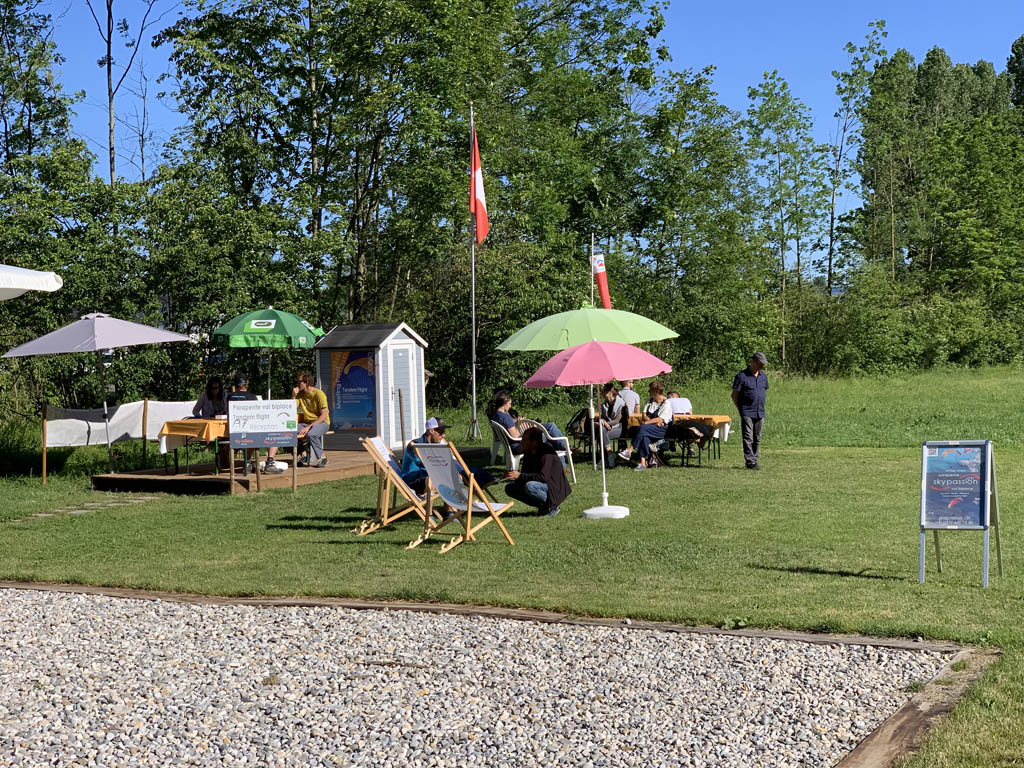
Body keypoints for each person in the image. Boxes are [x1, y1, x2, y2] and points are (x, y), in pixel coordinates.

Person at [401, 417, 495, 495]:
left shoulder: (436, 444)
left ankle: (450, 509)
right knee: (440, 478)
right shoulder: (416, 445)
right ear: (431, 431)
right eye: (441, 432)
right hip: (413, 479)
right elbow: (428, 464)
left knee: (456, 475)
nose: (444, 435)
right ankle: (429, 511)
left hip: (428, 476)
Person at [265, 372, 330, 472]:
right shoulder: (300, 394)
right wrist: (293, 396)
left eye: (299, 381)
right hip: (307, 422)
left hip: (322, 423)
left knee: (311, 434)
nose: (297, 383)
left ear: (306, 383)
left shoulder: (319, 394)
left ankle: (322, 457)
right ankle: (301, 454)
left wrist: (309, 427)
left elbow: (324, 416)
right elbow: (290, 410)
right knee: (283, 432)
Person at [504, 427, 571, 516]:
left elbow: (543, 477)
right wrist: (512, 475)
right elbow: (525, 473)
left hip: (554, 487)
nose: (521, 442)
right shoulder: (528, 451)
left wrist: (519, 476)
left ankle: (552, 506)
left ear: (534, 442)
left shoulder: (547, 453)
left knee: (530, 486)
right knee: (510, 488)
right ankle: (544, 507)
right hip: (541, 484)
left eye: (524, 440)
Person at [485, 391, 565, 456]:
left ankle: (563, 450)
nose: (510, 406)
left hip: (511, 444)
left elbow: (509, 428)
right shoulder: (505, 417)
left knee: (549, 428)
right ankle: (564, 449)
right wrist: (520, 424)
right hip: (518, 446)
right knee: (546, 434)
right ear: (504, 403)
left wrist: (517, 422)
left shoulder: (496, 415)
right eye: (509, 404)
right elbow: (515, 436)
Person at [618, 380, 672, 470]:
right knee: (644, 437)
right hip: (651, 427)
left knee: (642, 428)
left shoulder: (666, 403)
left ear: (656, 391)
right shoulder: (649, 400)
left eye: (650, 390)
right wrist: (652, 422)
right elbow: (643, 415)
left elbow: (661, 419)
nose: (648, 391)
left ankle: (629, 450)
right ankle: (643, 463)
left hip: (661, 430)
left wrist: (647, 422)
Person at [732, 352, 769, 470]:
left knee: (757, 437)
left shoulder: (763, 377)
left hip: (760, 411)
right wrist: (740, 409)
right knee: (748, 437)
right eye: (760, 364)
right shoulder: (741, 376)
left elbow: (763, 391)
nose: (762, 366)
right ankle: (750, 461)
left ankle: (755, 459)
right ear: (753, 362)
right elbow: (734, 395)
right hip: (747, 411)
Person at [598, 383, 627, 468]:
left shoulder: (621, 403)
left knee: (600, 434)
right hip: (608, 428)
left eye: (604, 391)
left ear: (610, 392)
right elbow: (602, 417)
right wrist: (602, 421)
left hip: (620, 428)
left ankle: (605, 457)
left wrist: (605, 423)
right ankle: (609, 454)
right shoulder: (604, 404)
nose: (602, 393)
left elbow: (617, 421)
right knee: (601, 431)